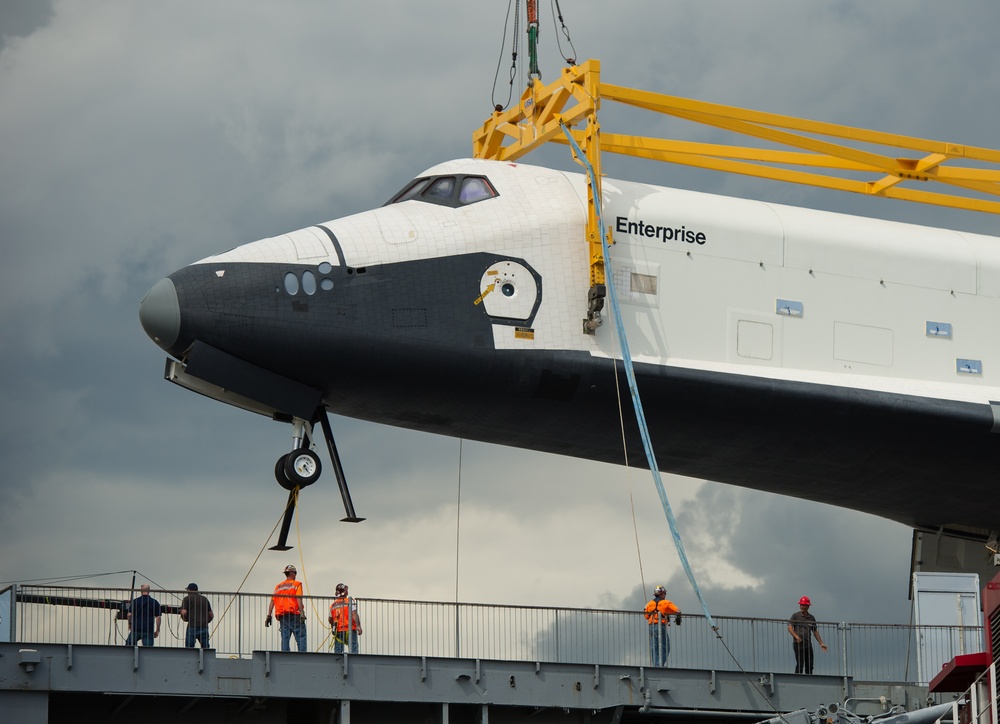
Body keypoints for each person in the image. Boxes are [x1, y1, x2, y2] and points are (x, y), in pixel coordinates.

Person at [265, 564, 306, 651]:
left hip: (283, 615)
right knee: (301, 636)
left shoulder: (278, 586)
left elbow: (272, 601)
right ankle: (303, 656)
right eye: (295, 573)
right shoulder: (297, 584)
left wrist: (269, 615)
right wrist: (302, 613)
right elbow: (298, 598)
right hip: (294, 614)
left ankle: (284, 656)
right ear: (292, 573)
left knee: (285, 637)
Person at [788, 595, 828, 674]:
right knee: (800, 664)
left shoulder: (811, 618)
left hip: (808, 644)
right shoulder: (795, 616)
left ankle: (809, 679)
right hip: (798, 643)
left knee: (810, 665)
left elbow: (815, 631)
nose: (802, 606)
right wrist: (796, 637)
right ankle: (798, 679)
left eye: (803, 605)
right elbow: (790, 628)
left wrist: (821, 643)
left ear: (808, 606)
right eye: (801, 605)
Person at [644, 585, 681, 667]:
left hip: (651, 626)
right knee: (665, 647)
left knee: (654, 647)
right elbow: (678, 611)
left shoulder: (649, 604)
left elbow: (646, 617)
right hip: (661, 625)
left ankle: (656, 665)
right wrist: (678, 618)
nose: (665, 595)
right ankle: (660, 665)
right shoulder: (666, 603)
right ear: (661, 594)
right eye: (664, 593)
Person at [328, 583, 363, 654]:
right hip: (349, 629)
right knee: (353, 647)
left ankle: (337, 663)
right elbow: (354, 614)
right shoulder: (349, 601)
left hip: (338, 630)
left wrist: (333, 626)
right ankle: (354, 662)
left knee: (338, 650)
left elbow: (330, 619)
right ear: (345, 592)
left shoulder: (333, 605)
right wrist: (358, 626)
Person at [180, 582, 214, 649]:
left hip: (192, 626)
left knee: (189, 648)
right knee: (205, 648)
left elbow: (184, 612)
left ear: (189, 590)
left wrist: (185, 619)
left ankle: (190, 659)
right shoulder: (204, 599)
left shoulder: (186, 599)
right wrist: (207, 621)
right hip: (204, 626)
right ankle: (206, 658)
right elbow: (211, 614)